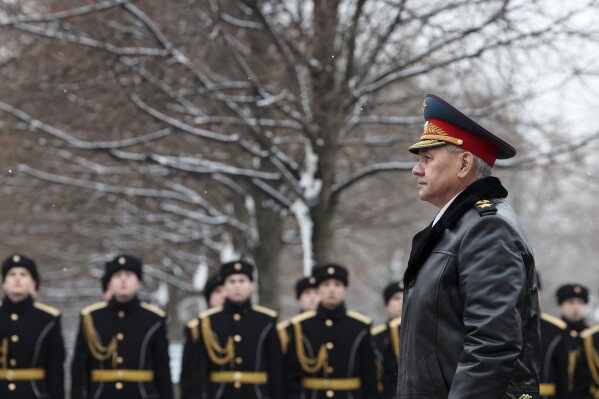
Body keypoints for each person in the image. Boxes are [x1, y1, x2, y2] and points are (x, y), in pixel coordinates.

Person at [397, 93, 540, 398]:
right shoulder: (460, 225)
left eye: (427, 158)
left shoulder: (487, 227)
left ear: (464, 163)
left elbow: (492, 344)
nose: (416, 169)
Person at [71, 254, 173, 399]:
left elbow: (162, 371)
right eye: (117, 275)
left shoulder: (154, 319)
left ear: (139, 282)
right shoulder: (91, 318)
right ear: (109, 284)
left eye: (129, 275)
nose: (123, 279)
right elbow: (79, 370)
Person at [182, 260, 284, 398]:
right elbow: (197, 374)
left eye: (242, 281)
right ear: (225, 286)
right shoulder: (207, 322)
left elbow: (276, 371)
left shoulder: (266, 321)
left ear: (251, 286)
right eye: (232, 281)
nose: (237, 286)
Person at [284, 263, 379, 399]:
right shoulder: (300, 326)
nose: (332, 289)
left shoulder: (361, 326)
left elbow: (369, 377)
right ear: (318, 289)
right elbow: (291, 377)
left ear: (344, 289)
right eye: (326, 284)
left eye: (337, 284)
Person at [0, 254, 65, 399]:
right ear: (4, 283)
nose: (17, 278)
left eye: (23, 274)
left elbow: (55, 371)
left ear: (33, 282)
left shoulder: (48, 319)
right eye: (12, 274)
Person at [179, 273, 225, 398]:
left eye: (226, 290)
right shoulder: (196, 329)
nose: (224, 295)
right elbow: (189, 373)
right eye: (218, 291)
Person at [553, 283, 598, 399]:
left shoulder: (593, 335)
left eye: (580, 303)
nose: (576, 307)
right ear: (561, 305)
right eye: (571, 302)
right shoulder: (554, 334)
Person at [372, 281, 403, 399]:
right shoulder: (377, 336)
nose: (402, 302)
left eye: (406, 297)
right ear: (387, 305)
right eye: (396, 298)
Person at [537, 274, 566, 399]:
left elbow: (564, 376)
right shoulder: (502, 327)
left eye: (533, 289)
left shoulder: (557, 330)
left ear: (540, 292)